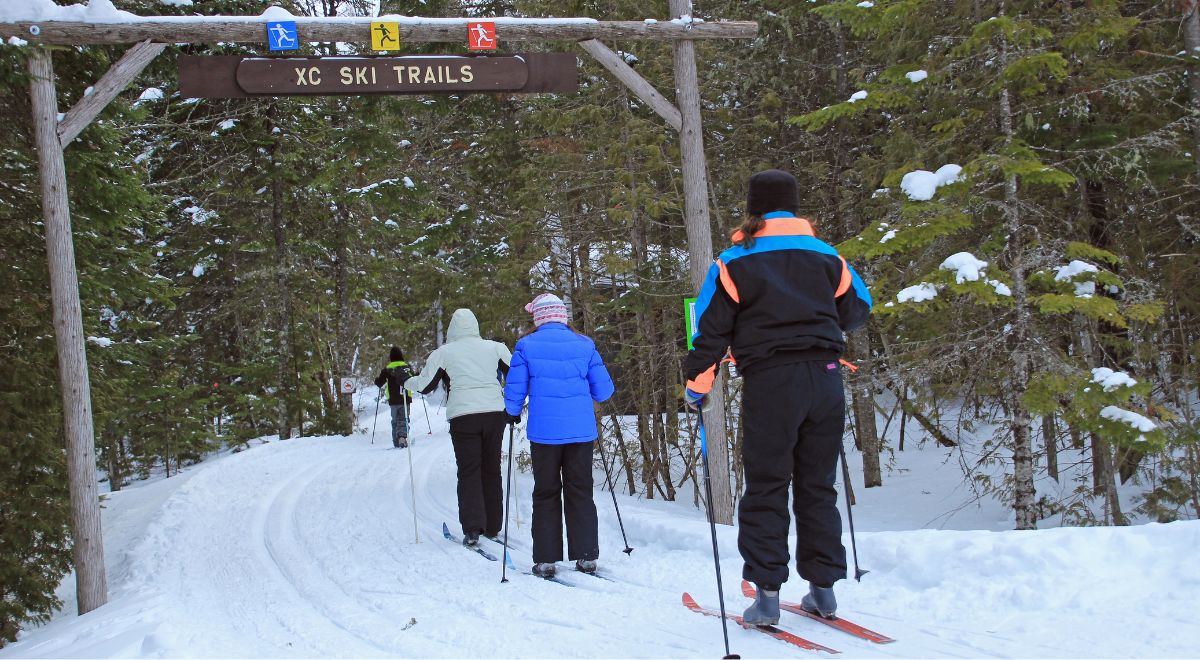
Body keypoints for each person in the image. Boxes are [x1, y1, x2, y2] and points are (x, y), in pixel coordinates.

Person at [683, 169, 872, 624]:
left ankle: (767, 595)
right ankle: (823, 591)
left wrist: (697, 384)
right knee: (817, 485)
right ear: (794, 206)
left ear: (753, 210)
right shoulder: (830, 257)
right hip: (825, 379)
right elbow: (858, 310)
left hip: (771, 382)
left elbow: (709, 331)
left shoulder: (733, 261)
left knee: (768, 485)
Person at [503, 293, 615, 579]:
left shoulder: (526, 345)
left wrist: (511, 411)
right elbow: (604, 391)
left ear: (538, 319)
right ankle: (587, 555)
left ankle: (546, 559)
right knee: (580, 490)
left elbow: (515, 389)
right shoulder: (585, 344)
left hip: (545, 435)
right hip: (580, 433)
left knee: (546, 492)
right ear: (562, 317)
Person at [405, 308, 511, 546]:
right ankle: (493, 525)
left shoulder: (444, 353)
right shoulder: (496, 348)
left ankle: (473, 528)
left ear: (452, 328)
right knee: (492, 468)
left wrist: (405, 381)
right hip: (494, 414)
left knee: (469, 470)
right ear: (475, 326)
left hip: (464, 417)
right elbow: (515, 375)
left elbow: (425, 386)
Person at [374, 346, 413, 449]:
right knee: (404, 418)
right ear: (401, 356)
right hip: (405, 397)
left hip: (393, 399)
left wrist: (376, 380)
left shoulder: (387, 370)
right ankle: (402, 437)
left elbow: (379, 383)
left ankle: (396, 441)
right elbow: (414, 378)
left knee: (395, 420)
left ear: (391, 357)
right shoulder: (407, 367)